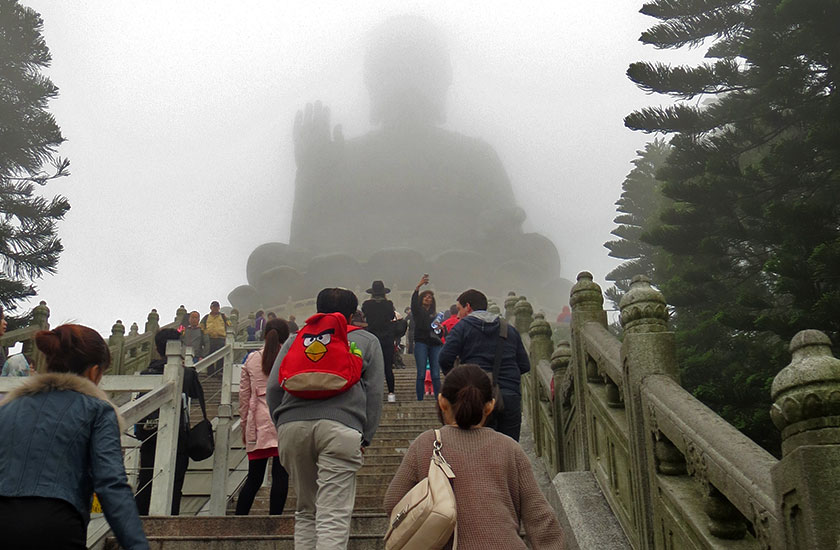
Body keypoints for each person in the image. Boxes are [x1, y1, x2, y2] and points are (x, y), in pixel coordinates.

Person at [0, 324, 148, 550]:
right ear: (93, 371)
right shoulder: (97, 410)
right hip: (56, 526)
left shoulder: (7, 409)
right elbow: (111, 484)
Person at [384, 364, 563, 550]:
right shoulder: (510, 448)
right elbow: (541, 519)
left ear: (442, 401)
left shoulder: (425, 444)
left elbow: (392, 502)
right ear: (490, 406)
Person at [267, 288, 384, 550]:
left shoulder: (296, 339)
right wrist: (366, 436)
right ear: (352, 314)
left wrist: (283, 425)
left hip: (292, 428)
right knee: (333, 514)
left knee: (306, 510)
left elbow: (274, 388)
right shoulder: (366, 340)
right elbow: (375, 393)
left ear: (317, 310)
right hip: (341, 428)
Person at [439, 289, 530, 441]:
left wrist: (459, 380)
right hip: (509, 396)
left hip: (475, 397)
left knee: (478, 450)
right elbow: (525, 365)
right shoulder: (509, 330)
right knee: (509, 449)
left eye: (459, 309)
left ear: (468, 307)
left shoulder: (462, 328)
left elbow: (444, 358)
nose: (458, 315)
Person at [135, 328, 205, 515]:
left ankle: (139, 522)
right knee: (174, 483)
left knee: (146, 479)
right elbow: (196, 394)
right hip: (178, 436)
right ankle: (170, 520)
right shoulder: (186, 373)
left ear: (157, 349)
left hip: (149, 434)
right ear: (179, 348)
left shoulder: (146, 374)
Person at [237, 318, 291, 515]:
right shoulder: (290, 358)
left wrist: (244, 428)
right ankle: (274, 522)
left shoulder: (251, 359)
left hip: (257, 424)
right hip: (283, 421)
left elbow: (244, 398)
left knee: (254, 478)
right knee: (281, 476)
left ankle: (237, 522)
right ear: (286, 336)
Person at [362, 280, 397, 402]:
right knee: (388, 366)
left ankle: (371, 393)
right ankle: (391, 393)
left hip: (372, 337)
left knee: (371, 366)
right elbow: (392, 316)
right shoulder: (388, 304)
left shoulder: (366, 304)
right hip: (387, 337)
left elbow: (365, 316)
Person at [411, 274, 442, 400]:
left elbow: (439, 333)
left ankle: (438, 400)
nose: (428, 298)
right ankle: (419, 399)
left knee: (435, 374)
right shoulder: (418, 311)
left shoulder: (436, 315)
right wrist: (418, 286)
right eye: (425, 297)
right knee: (421, 373)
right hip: (421, 342)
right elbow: (413, 303)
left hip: (435, 343)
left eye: (430, 297)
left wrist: (441, 329)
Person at [201, 300, 230, 375]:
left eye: (217, 307)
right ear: (211, 307)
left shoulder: (223, 316)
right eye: (214, 307)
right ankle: (210, 372)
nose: (215, 308)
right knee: (210, 355)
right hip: (210, 338)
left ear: (219, 308)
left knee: (221, 355)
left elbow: (229, 324)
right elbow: (201, 325)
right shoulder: (207, 317)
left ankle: (219, 371)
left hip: (221, 338)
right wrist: (205, 332)